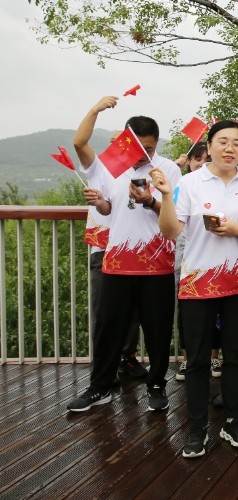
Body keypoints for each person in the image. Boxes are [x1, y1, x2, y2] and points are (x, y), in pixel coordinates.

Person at [154, 121, 238, 458]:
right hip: (197, 283)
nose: (230, 148)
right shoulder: (189, 183)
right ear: (209, 146)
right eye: (222, 141)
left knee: (235, 356)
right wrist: (165, 195)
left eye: (237, 143)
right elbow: (170, 231)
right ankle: (197, 428)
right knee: (197, 360)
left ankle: (234, 421)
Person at [67, 96, 181, 413]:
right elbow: (109, 208)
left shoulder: (169, 169)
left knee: (157, 331)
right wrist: (100, 202)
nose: (144, 154)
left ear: (157, 143)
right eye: (138, 147)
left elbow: (174, 217)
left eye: (150, 148)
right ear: (127, 141)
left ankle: (156, 385)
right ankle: (99, 387)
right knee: (108, 329)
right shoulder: (111, 165)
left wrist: (150, 200)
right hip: (116, 262)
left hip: (157, 263)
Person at [83, 132, 148, 382]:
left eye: (122, 142)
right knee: (105, 311)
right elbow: (79, 143)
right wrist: (95, 112)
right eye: (113, 142)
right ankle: (103, 368)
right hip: (103, 248)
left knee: (133, 310)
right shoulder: (98, 167)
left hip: (132, 249)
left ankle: (126, 357)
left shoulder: (138, 171)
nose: (117, 146)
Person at [174, 142, 214, 382]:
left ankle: (214, 356)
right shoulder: (184, 184)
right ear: (189, 162)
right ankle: (188, 358)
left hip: (216, 259)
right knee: (187, 311)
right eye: (197, 159)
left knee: (216, 314)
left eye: (206, 159)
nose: (201, 164)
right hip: (188, 257)